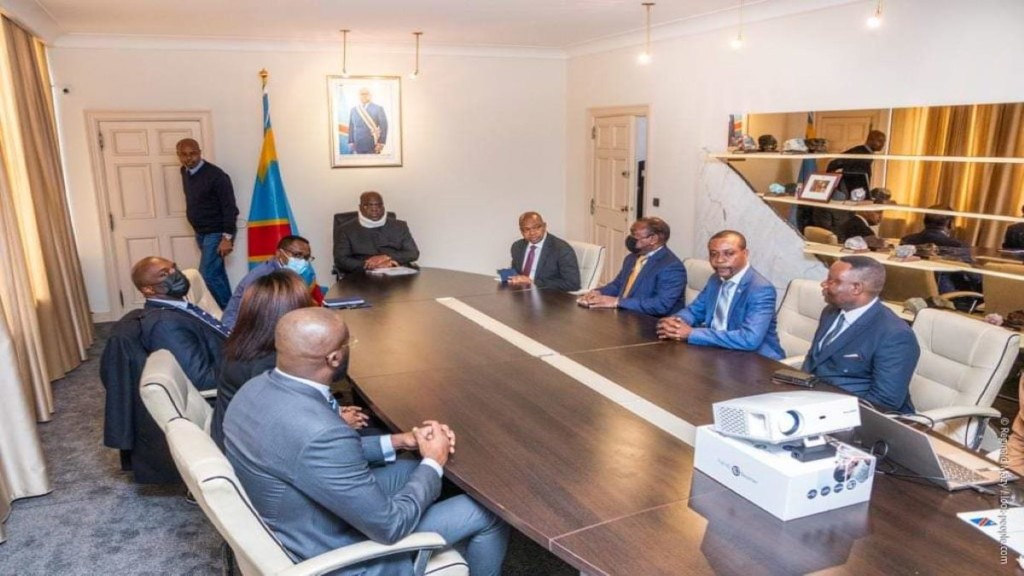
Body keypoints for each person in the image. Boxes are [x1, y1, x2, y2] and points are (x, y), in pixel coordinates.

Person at [224, 308, 509, 575]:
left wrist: (400, 441)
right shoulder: (322, 432)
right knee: (489, 512)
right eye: (349, 344)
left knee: (413, 469)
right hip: (337, 550)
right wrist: (434, 460)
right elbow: (391, 526)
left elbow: (311, 456)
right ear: (334, 358)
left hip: (299, 512)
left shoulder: (252, 390)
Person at [211, 270, 370, 450]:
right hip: (252, 450)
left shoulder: (246, 343)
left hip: (238, 437)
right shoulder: (268, 364)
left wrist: (334, 410)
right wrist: (339, 421)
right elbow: (285, 428)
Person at [803, 256, 919, 413]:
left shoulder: (895, 335)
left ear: (856, 288)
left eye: (832, 281)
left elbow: (884, 402)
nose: (823, 284)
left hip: (856, 414)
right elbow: (814, 360)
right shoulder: (831, 311)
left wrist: (826, 414)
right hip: (815, 399)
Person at [656, 230, 785, 359]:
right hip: (718, 351)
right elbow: (695, 311)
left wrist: (692, 334)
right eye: (713, 254)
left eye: (729, 253)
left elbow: (749, 339)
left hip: (756, 360)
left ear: (745, 254)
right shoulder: (715, 279)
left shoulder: (760, 289)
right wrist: (675, 323)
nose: (719, 260)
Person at [131, 256, 229, 391]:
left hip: (233, 357)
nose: (175, 274)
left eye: (174, 268)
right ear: (148, 289)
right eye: (164, 274)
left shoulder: (178, 306)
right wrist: (249, 368)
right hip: (233, 386)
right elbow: (203, 380)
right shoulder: (165, 324)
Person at [577, 217, 686, 316]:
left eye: (636, 236)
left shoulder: (671, 267)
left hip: (651, 322)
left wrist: (617, 302)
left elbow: (660, 305)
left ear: (653, 239)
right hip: (625, 315)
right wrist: (598, 292)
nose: (631, 239)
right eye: (632, 234)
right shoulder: (631, 258)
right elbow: (618, 285)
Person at [176, 138, 239, 309]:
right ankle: (231, 312)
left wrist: (227, 238)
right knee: (216, 274)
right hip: (201, 232)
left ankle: (229, 314)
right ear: (178, 155)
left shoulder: (216, 176)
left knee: (208, 274)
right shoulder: (185, 172)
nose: (189, 158)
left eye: (193, 154)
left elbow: (230, 208)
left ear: (200, 152)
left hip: (217, 232)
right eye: (184, 154)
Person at [221, 235, 318, 330]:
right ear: (279, 253)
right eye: (297, 255)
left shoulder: (293, 273)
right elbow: (257, 314)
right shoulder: (263, 275)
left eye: (306, 257)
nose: (302, 261)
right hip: (240, 329)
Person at [802, 130, 887, 233]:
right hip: (846, 194)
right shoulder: (859, 152)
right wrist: (834, 180)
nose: (883, 144)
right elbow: (834, 163)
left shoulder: (866, 153)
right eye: (880, 141)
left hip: (852, 196)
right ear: (870, 140)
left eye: (884, 141)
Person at [900, 206, 982, 294]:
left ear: (924, 221)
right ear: (950, 223)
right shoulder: (957, 246)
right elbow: (975, 277)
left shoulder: (907, 240)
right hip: (948, 296)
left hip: (909, 291)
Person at [333, 191, 420, 273]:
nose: (374, 209)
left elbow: (413, 253)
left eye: (378, 205)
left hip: (395, 272)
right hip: (362, 275)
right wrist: (369, 265)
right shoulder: (346, 229)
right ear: (360, 207)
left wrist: (387, 258)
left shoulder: (399, 226)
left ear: (383, 206)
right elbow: (341, 260)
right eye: (368, 205)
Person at [507, 211, 580, 291]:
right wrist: (507, 276)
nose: (532, 233)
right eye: (527, 229)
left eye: (536, 227)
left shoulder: (561, 249)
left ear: (544, 226)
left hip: (548, 295)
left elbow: (572, 283)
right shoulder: (517, 246)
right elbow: (516, 272)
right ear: (521, 231)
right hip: (520, 293)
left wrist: (533, 282)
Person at [348, 88, 388, 154]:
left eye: (366, 94)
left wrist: (381, 143)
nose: (364, 96)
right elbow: (351, 127)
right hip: (357, 144)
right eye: (361, 94)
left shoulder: (378, 108)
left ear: (370, 95)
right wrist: (351, 141)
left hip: (373, 143)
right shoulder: (353, 110)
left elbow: (384, 127)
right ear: (358, 96)